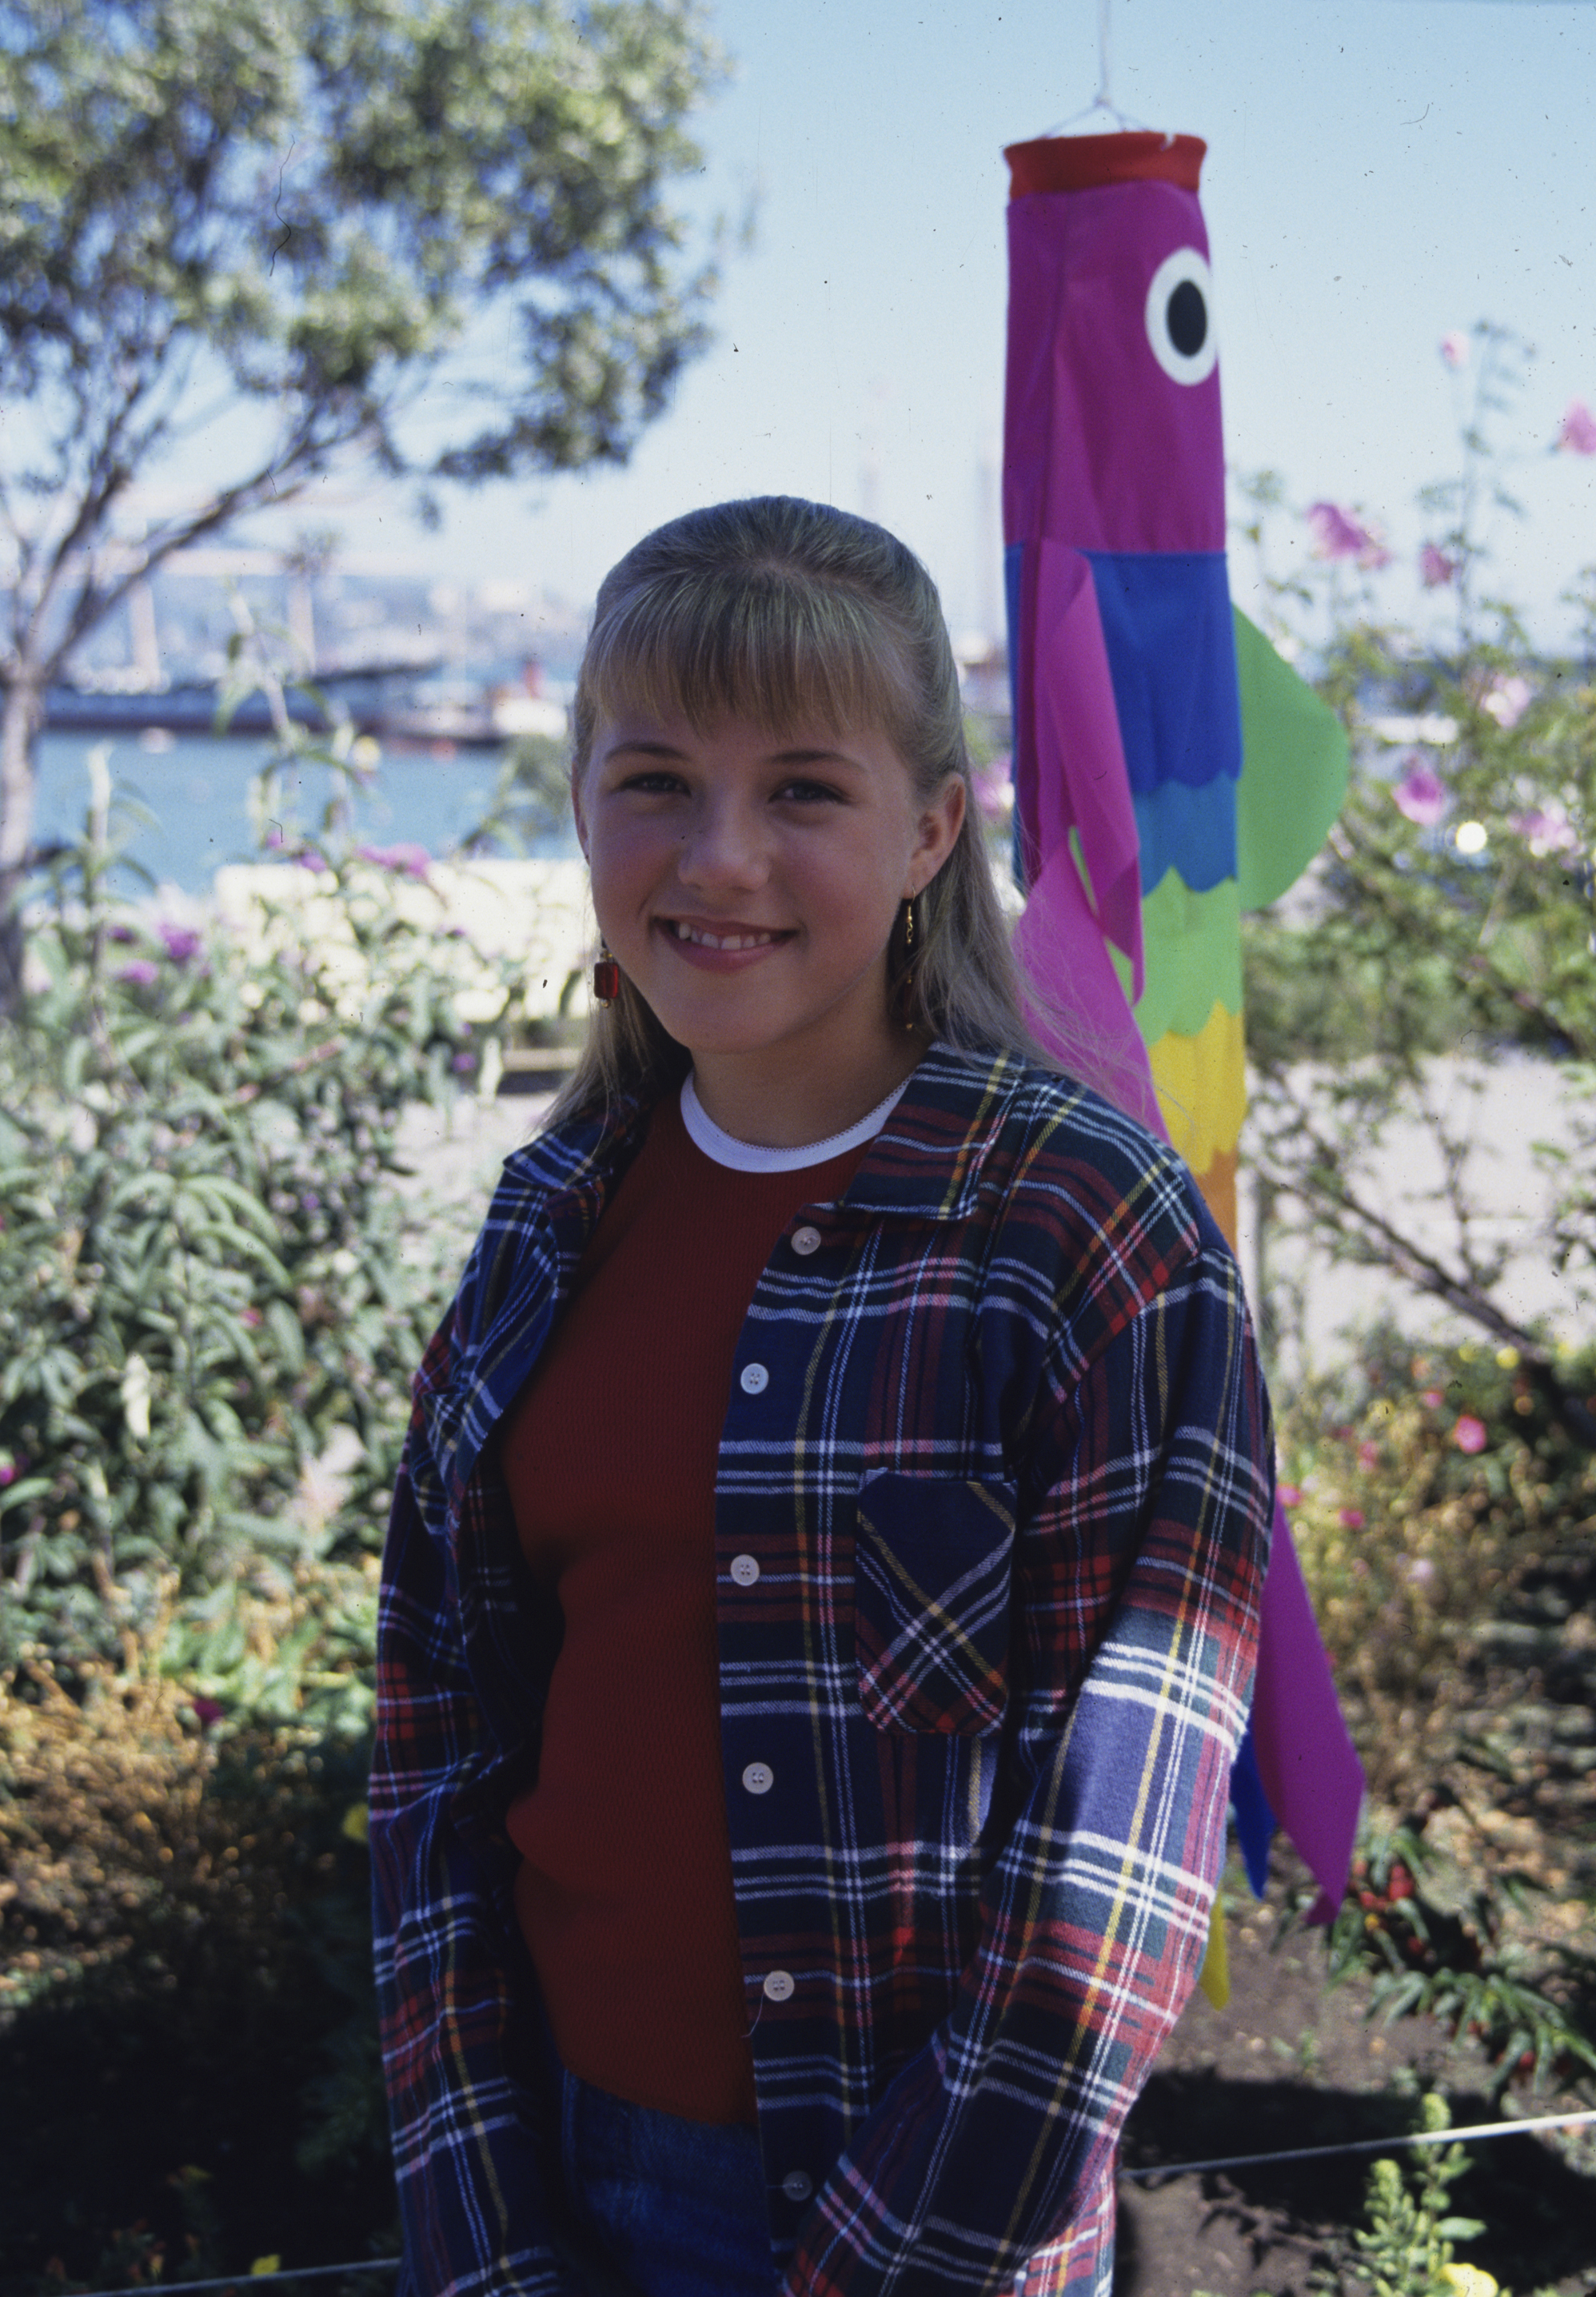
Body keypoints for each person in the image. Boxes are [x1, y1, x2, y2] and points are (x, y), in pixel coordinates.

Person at [370, 495, 1273, 2297]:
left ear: (933, 827)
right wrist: (480, 2219)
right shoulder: (550, 1225)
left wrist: (912, 2257)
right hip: (559, 2161)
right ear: (580, 807)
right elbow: (438, 1754)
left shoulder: (1085, 1234)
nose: (719, 860)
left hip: (923, 2209)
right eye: (652, 784)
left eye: (802, 789)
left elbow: (1118, 1856)